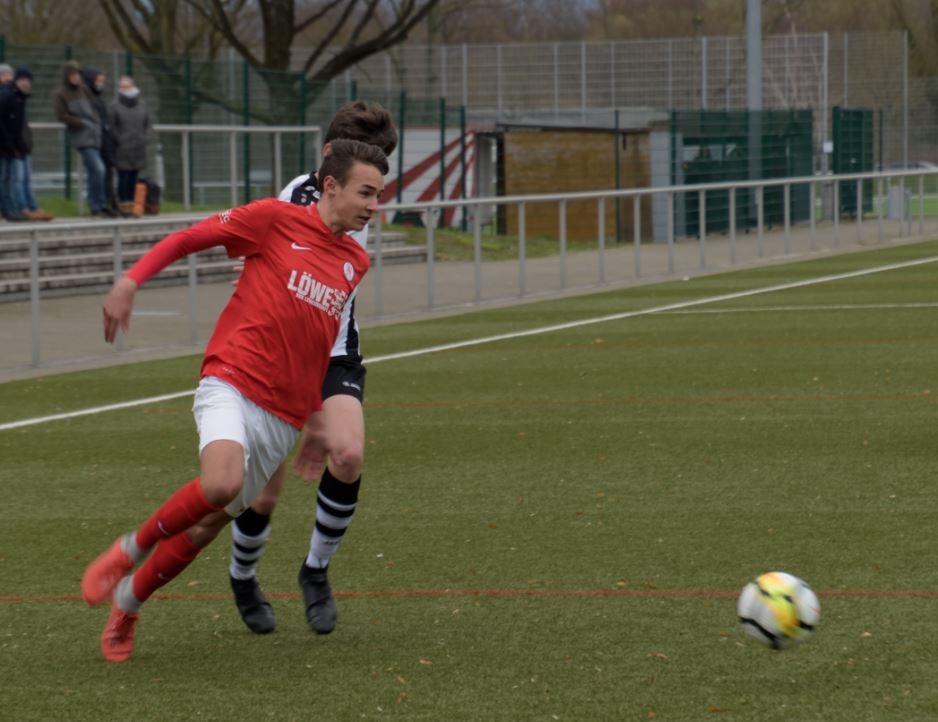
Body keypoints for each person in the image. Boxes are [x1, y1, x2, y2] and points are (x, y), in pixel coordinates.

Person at [81, 138, 388, 663]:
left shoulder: (355, 261)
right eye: (366, 192)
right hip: (232, 378)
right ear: (331, 186)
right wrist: (130, 281)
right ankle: (128, 549)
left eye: (379, 194)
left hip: (283, 416)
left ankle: (129, 603)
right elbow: (188, 238)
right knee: (220, 482)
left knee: (207, 525)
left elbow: (315, 341)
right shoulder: (273, 219)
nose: (374, 205)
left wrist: (315, 418)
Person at [226, 100, 398, 637]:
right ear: (331, 160)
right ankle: (242, 576)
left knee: (348, 455)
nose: (374, 194)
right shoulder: (300, 200)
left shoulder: (358, 202)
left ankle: (315, 571)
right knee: (264, 491)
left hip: (334, 349)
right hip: (281, 350)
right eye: (366, 178)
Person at [53, 60, 113, 218]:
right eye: (73, 75)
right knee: (98, 168)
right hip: (82, 136)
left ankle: (99, 205)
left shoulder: (84, 90)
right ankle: (96, 204)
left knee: (96, 171)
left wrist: (95, 122)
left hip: (94, 134)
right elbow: (61, 115)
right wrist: (81, 123)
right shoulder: (60, 94)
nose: (76, 77)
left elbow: (94, 107)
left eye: (77, 74)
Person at [9, 67, 53, 222]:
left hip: (24, 145)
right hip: (14, 146)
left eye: (28, 80)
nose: (26, 83)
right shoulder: (11, 98)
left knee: (27, 178)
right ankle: (22, 208)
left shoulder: (22, 99)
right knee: (17, 179)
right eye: (23, 80)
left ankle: (32, 206)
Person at [108, 75, 151, 217]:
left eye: (127, 86)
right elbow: (112, 126)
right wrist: (120, 140)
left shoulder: (142, 105)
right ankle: (124, 205)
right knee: (123, 176)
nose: (125, 89)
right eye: (122, 87)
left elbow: (147, 123)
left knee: (134, 176)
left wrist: (144, 138)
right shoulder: (114, 106)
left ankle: (134, 205)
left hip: (138, 146)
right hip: (122, 147)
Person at [82, 67, 118, 214]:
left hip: (104, 139)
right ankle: (96, 204)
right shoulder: (87, 98)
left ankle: (106, 202)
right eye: (98, 80)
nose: (100, 84)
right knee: (97, 170)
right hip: (94, 139)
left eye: (102, 81)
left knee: (106, 171)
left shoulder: (99, 98)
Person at [0, 62, 25, 221]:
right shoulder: (6, 95)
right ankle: (7, 208)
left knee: (9, 178)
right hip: (4, 143)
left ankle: (11, 208)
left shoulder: (14, 95)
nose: (8, 78)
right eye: (4, 75)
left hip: (9, 143)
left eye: (10, 74)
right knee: (5, 178)